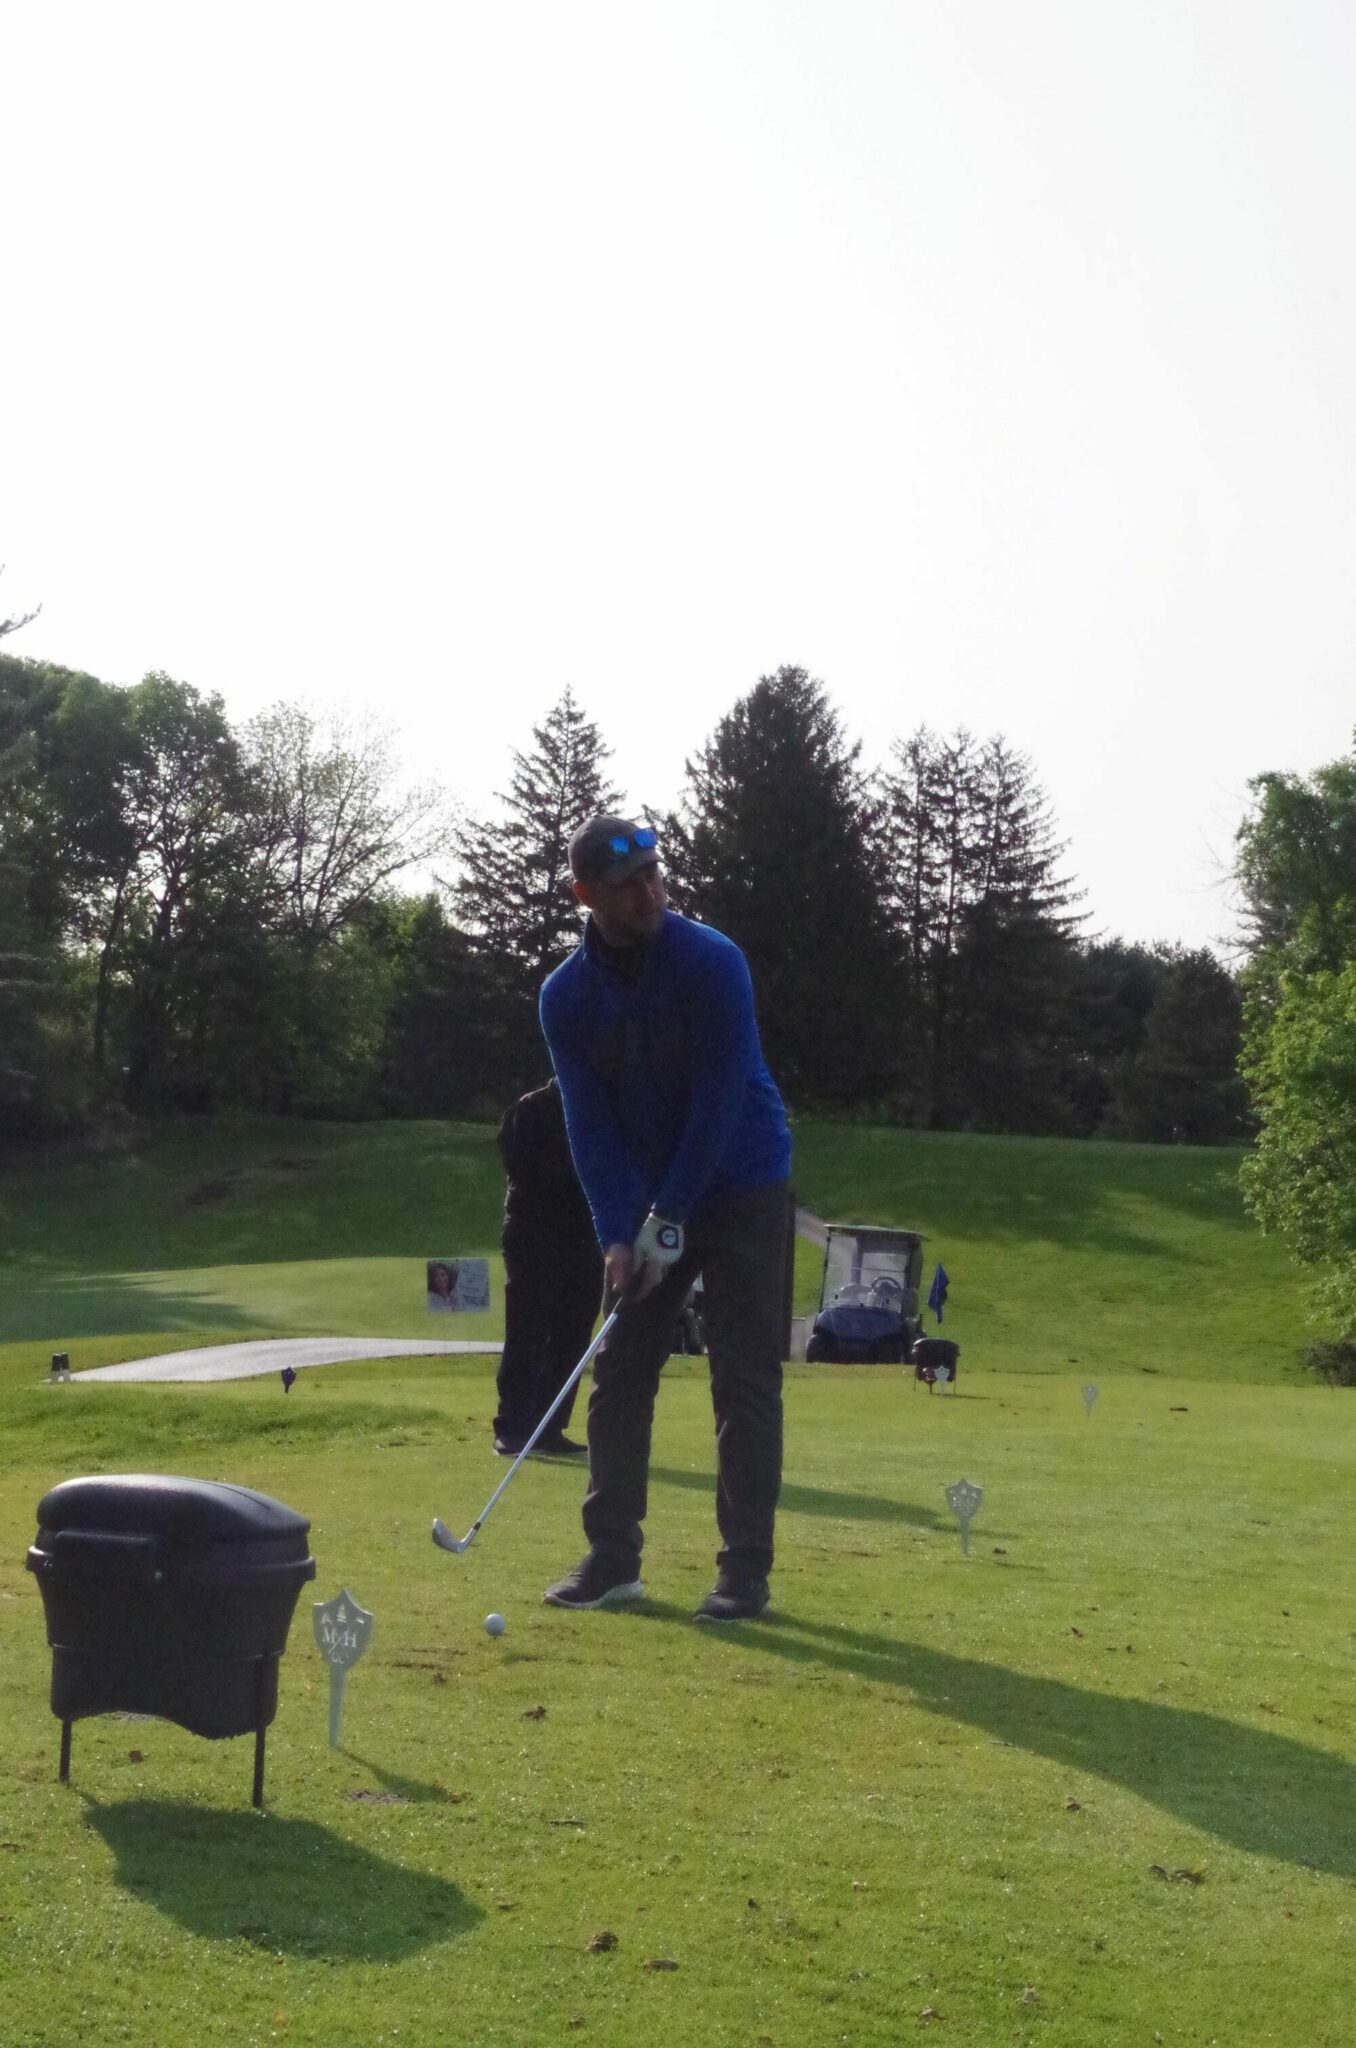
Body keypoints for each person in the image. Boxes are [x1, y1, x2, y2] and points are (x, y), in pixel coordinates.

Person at [538, 814, 792, 1622]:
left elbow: (719, 1099)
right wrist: (619, 1232)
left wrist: (667, 1216)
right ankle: (613, 1559)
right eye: (627, 885)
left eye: (654, 874)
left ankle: (743, 1573)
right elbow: (589, 1125)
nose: (650, 892)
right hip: (647, 1191)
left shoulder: (712, 961)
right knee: (619, 1370)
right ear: (587, 896)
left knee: (744, 1377)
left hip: (745, 1177)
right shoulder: (565, 998)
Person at [492, 1077, 603, 1460]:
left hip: (584, 1236)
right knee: (528, 1328)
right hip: (534, 1231)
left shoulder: (597, 1108)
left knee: (572, 1334)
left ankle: (549, 1427)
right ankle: (512, 1427)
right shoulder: (530, 1109)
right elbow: (527, 1169)